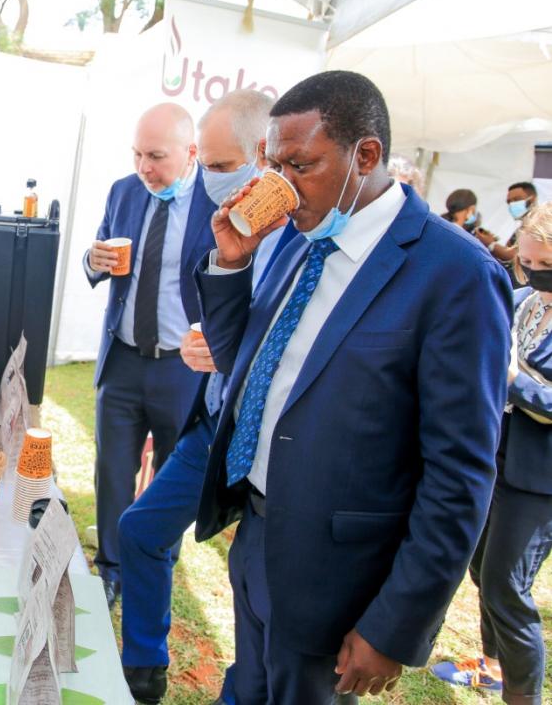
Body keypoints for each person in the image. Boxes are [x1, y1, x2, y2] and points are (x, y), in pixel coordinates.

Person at [193, 70, 512, 704]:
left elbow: (460, 475)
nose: (279, 184)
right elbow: (240, 360)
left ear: (365, 155)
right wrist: (233, 261)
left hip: (340, 582)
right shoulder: (296, 237)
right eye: (274, 164)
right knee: (245, 689)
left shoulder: (456, 276)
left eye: (299, 164)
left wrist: (396, 626)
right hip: (258, 539)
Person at [117, 89, 295, 705]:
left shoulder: (303, 240)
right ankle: (144, 669)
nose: (211, 184)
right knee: (140, 529)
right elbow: (231, 327)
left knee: (262, 622)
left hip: (275, 450)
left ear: (265, 157)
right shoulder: (236, 225)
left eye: (221, 169)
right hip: (216, 423)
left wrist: (228, 351)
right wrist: (210, 342)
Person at [84, 102, 218, 610]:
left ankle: (158, 558)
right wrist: (92, 260)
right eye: (138, 154)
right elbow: (99, 253)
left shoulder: (215, 199)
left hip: (183, 367)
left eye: (156, 156)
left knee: (172, 470)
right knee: (113, 468)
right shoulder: (123, 191)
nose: (145, 167)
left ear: (191, 152)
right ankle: (112, 569)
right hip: (122, 358)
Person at [431, 202, 552, 704]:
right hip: (495, 455)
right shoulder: (524, 300)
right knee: (482, 566)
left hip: (540, 477)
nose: (531, 274)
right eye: (525, 263)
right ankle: (492, 664)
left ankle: (523, 696)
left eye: (543, 266)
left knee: (506, 585)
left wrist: (511, 379)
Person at [476, 182, 540, 273]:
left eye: (516, 199)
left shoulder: (541, 226)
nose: (512, 205)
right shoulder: (521, 229)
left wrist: (491, 244)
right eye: (509, 202)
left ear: (532, 199)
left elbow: (514, 256)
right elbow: (508, 252)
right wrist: (493, 243)